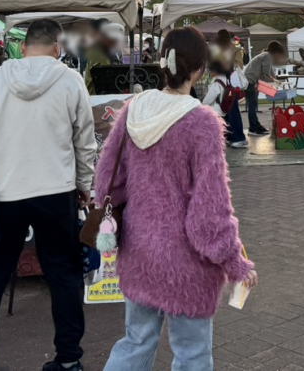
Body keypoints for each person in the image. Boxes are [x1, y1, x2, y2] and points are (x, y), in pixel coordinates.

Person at [98, 26, 257, 370]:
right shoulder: (202, 122)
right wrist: (234, 261)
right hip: (187, 262)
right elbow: (209, 210)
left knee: (136, 342)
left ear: (162, 63)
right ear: (199, 69)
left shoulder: (134, 110)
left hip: (138, 251)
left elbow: (107, 182)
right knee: (192, 353)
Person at [0, 18, 96, 371]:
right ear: (58, 48)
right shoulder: (70, 80)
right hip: (56, 190)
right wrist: (85, 184)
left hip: (4, 190)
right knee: (63, 275)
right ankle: (69, 359)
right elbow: (85, 141)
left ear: (23, 47)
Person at [242, 41, 287, 135]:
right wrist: (275, 82)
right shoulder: (267, 56)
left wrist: (275, 80)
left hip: (251, 80)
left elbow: (270, 72)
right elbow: (266, 73)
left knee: (253, 105)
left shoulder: (266, 55)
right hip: (250, 81)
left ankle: (256, 126)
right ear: (275, 52)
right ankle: (253, 128)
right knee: (252, 105)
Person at [201, 58, 248, 148]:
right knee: (234, 120)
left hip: (221, 107)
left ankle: (235, 139)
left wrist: (202, 105)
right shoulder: (229, 77)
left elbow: (210, 97)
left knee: (226, 123)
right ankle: (236, 138)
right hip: (230, 103)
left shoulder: (218, 81)